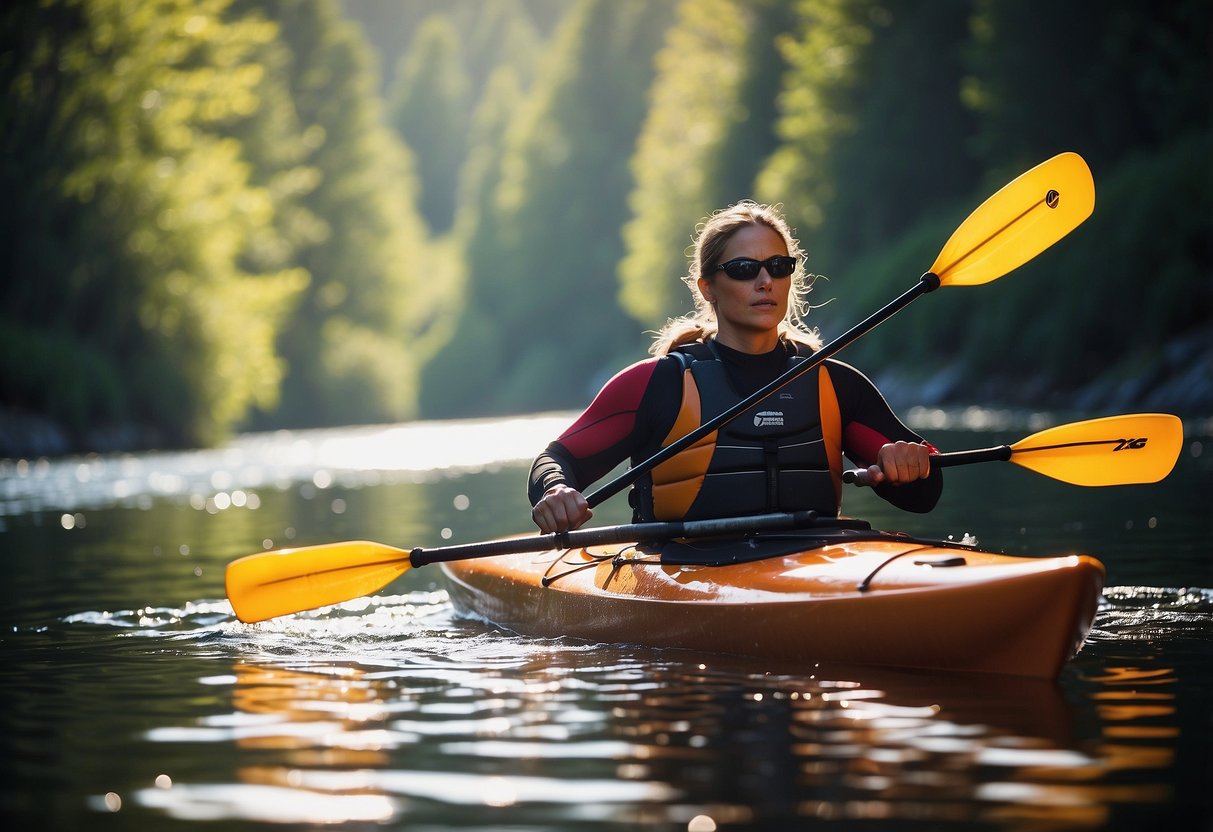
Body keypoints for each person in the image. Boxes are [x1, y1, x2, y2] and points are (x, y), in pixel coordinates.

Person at [529, 200, 940, 534]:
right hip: (684, 568)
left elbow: (925, 495)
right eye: (745, 270)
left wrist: (910, 464)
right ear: (708, 288)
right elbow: (557, 458)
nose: (766, 282)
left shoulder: (834, 385)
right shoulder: (658, 384)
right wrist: (557, 489)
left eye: (779, 267)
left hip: (814, 561)